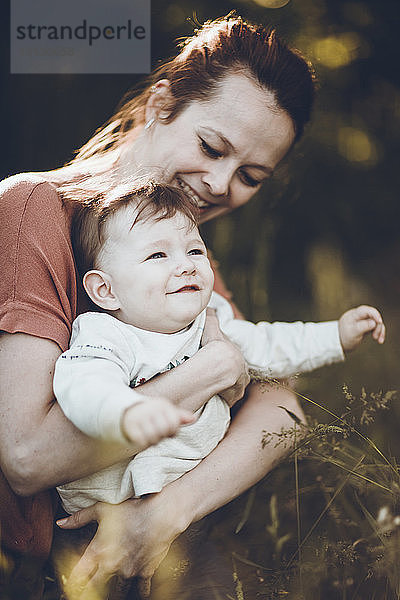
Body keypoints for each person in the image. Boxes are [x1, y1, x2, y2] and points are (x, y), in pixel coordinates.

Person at [0, 13, 383, 600]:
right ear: (160, 104)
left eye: (252, 175)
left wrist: (161, 515)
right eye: (211, 147)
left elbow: (282, 411)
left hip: (152, 561)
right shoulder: (35, 211)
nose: (221, 184)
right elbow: (26, 456)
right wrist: (212, 370)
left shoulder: (185, 258)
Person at [53, 179, 384, 516]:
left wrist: (336, 336)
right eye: (157, 254)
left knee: (212, 562)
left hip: (189, 496)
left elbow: (269, 345)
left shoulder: (212, 320)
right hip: (105, 506)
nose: (186, 265)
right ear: (106, 291)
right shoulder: (105, 335)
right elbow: (84, 387)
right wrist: (126, 412)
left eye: (194, 250)